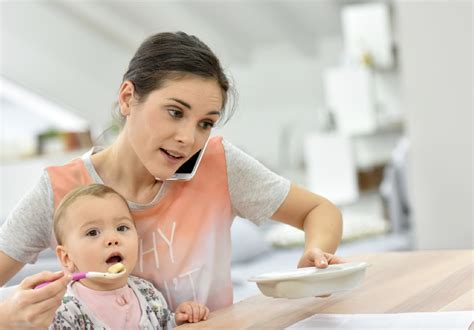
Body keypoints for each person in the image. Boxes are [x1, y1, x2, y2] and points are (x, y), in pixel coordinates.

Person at [0, 31, 343, 328]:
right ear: (127, 99)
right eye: (175, 112)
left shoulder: (217, 163)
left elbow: (319, 210)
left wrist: (316, 254)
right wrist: (8, 317)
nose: (188, 138)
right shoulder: (60, 189)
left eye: (205, 123)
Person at [50, 183, 208, 329]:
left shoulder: (147, 292)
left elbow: (163, 324)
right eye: (93, 232)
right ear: (66, 258)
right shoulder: (64, 310)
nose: (113, 239)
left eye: (121, 228)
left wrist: (179, 321)